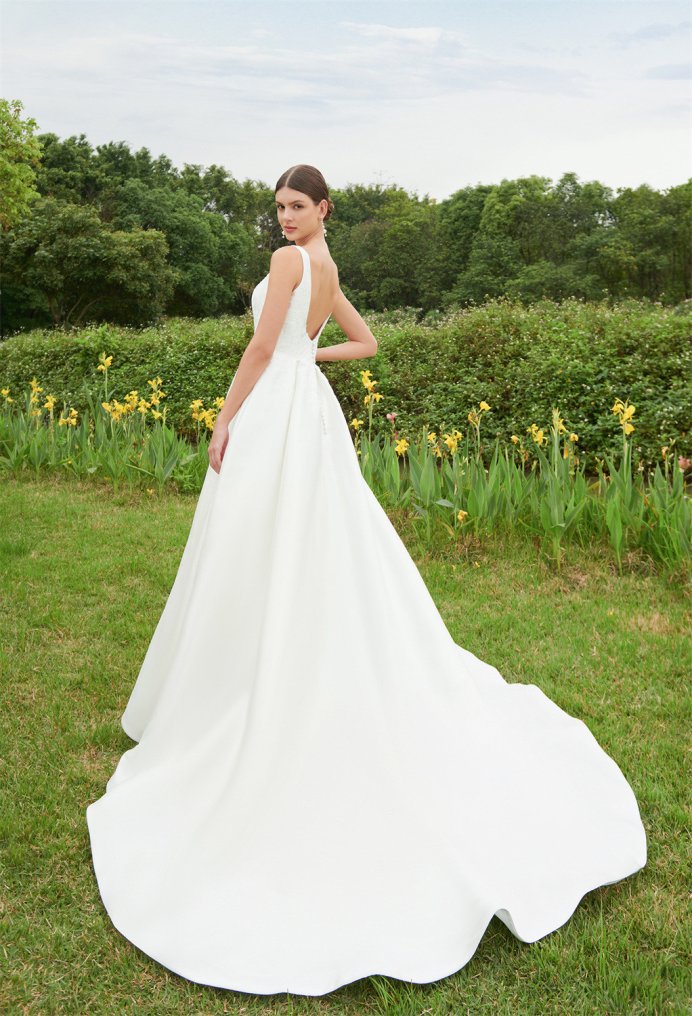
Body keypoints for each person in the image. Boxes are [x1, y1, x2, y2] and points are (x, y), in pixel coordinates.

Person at [86, 164, 647, 998]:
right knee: (307, 537)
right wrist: (309, 357)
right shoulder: (328, 265)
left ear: (323, 208)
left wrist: (226, 416)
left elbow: (258, 347)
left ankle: (254, 671)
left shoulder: (289, 263)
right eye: (279, 207)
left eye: (297, 206)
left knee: (261, 537)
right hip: (309, 404)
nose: (284, 217)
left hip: (278, 410)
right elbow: (365, 343)